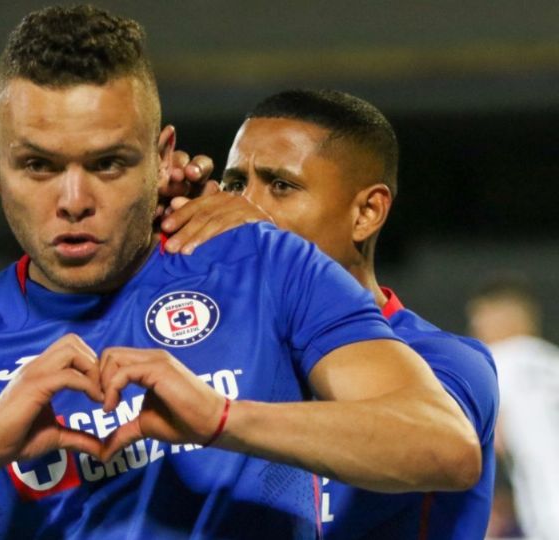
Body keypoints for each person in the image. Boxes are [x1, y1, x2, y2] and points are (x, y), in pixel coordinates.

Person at [0, 6, 480, 539]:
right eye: (38, 165)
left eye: (108, 164)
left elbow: (442, 446)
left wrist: (218, 418)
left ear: (163, 157)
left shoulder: (263, 266)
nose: (72, 201)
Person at [189, 89, 499, 538]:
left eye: (280, 186)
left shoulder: (442, 362)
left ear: (366, 212)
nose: (242, 206)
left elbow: (437, 445)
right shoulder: (226, 358)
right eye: (235, 184)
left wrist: (220, 418)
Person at [468, 276, 559, 540]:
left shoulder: (494, 362)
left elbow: (490, 437)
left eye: (480, 317)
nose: (475, 326)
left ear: (501, 318)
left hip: (549, 516)